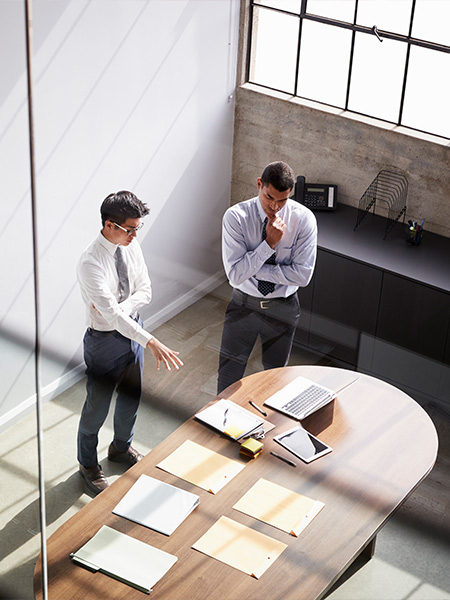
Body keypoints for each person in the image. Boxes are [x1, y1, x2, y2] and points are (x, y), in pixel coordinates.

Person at [77, 190, 183, 494]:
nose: (135, 235)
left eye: (138, 228)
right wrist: (150, 341)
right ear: (110, 225)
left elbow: (145, 291)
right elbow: (109, 317)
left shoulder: (131, 246)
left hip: (133, 331)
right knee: (96, 408)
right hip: (103, 344)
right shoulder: (90, 263)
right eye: (130, 228)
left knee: (130, 397)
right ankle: (87, 463)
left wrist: (118, 312)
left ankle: (120, 449)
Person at [217, 161, 317, 394]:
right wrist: (269, 244)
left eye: (282, 200)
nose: (275, 206)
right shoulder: (236, 217)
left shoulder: (304, 219)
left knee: (274, 380)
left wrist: (251, 267)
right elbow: (234, 276)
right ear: (260, 184)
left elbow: (302, 276)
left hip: (283, 309)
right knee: (228, 377)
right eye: (269, 197)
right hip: (243, 306)